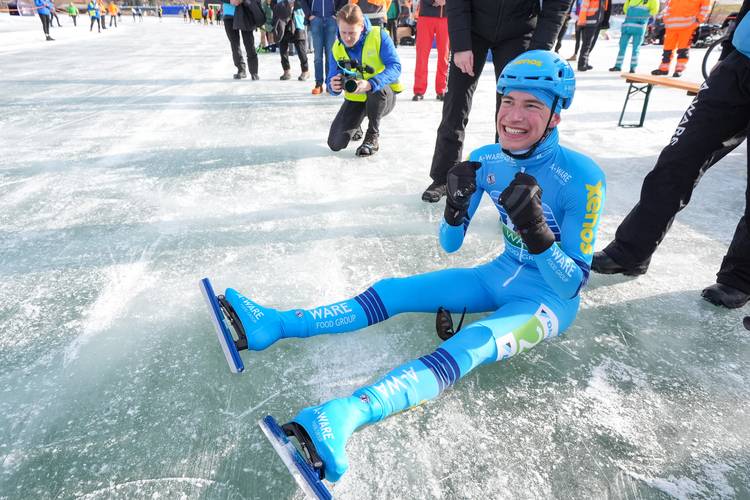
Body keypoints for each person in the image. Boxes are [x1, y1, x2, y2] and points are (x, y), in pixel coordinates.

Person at [221, 50, 605, 483]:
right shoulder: (487, 158)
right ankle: (273, 324)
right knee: (394, 290)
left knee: (471, 346)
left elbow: (572, 285)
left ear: (556, 114)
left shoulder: (582, 177)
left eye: (532, 105)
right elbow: (450, 245)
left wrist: (537, 233)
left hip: (547, 302)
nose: (513, 116)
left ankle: (345, 413)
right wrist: (456, 208)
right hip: (499, 273)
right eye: (507, 101)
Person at [593, 1, 750, 309]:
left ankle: (739, 279)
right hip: (739, 66)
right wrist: (729, 52)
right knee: (677, 160)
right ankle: (630, 252)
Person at [420, 0, 569, 203]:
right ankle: (443, 177)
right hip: (472, 27)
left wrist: (537, 51)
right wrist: (461, 45)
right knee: (456, 105)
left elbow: (557, 5)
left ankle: (511, 183)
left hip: (520, 29)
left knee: (514, 113)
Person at [326, 3, 402, 156]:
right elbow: (330, 80)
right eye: (343, 32)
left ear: (361, 27)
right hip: (356, 98)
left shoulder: (379, 35)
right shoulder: (336, 46)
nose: (347, 37)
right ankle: (357, 123)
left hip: (383, 96)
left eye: (352, 33)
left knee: (376, 88)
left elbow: (396, 66)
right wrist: (332, 86)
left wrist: (371, 83)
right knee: (335, 143)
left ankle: (372, 136)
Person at [651, 0, 710, 77]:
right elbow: (669, 5)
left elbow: (706, 7)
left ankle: (679, 69)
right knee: (667, 49)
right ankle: (664, 69)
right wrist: (666, 18)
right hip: (671, 25)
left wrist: (699, 19)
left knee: (683, 49)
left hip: (688, 25)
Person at [299, 0, 346, 95]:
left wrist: (337, 13)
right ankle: (318, 84)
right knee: (318, 56)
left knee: (330, 55)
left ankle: (329, 84)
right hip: (315, 19)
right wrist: (309, 15)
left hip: (331, 19)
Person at [412, 0, 448, 101]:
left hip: (445, 17)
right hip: (426, 16)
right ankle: (419, 89)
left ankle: (442, 89)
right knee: (422, 55)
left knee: (444, 56)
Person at [609, 0, 658, 73]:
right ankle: (619, 66)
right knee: (624, 47)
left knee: (635, 48)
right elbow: (625, 9)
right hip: (630, 27)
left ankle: (631, 67)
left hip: (635, 27)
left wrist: (643, 15)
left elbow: (654, 10)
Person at [221, 0, 260, 79]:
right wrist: (230, 0)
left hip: (245, 13)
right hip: (229, 14)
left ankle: (254, 72)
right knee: (235, 44)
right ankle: (241, 69)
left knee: (249, 43)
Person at [273, 0, 310, 81]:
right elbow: (275, 4)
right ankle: (286, 71)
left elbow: (305, 3)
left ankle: (305, 71)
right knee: (283, 49)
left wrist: (294, 4)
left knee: (301, 49)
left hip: (298, 22)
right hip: (282, 22)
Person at [576, 0, 608, 71]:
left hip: (597, 23)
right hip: (589, 23)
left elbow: (604, 9)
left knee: (590, 44)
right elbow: (584, 8)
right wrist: (581, 22)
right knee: (586, 44)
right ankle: (581, 64)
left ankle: (585, 62)